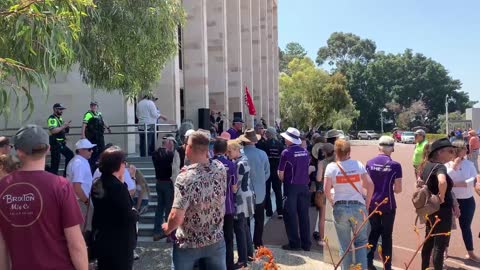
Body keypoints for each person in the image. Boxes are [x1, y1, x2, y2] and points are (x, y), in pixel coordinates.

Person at [0, 125, 87, 269]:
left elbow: (2, 244)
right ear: (48, 149)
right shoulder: (60, 185)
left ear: (19, 152)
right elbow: (76, 243)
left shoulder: (3, 187)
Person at [161, 131, 227, 269]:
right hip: (215, 239)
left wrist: (167, 228)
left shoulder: (185, 178)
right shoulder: (220, 168)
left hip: (188, 242)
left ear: (189, 148)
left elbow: (176, 216)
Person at [324, 139, 374, 270]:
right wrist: (367, 203)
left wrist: (332, 201)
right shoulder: (358, 165)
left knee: (344, 246)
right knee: (361, 243)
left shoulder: (331, 167)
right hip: (358, 206)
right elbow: (370, 185)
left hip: (340, 207)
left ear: (336, 152)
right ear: (349, 151)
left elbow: (326, 189)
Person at [91, 146, 137, 270]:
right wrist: (135, 213)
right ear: (117, 164)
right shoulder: (117, 187)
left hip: (103, 238)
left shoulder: (97, 183)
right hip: (120, 242)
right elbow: (127, 215)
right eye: (124, 162)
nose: (125, 166)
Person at [418, 138, 459, 270]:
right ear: (440, 152)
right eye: (450, 151)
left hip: (430, 208)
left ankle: (424, 267)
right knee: (439, 246)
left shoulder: (427, 165)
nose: (453, 154)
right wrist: (441, 196)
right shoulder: (440, 167)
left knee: (428, 241)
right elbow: (442, 182)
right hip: (442, 210)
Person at [365, 136, 402, 270]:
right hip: (388, 204)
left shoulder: (369, 163)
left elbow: (366, 184)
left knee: (374, 232)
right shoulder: (395, 165)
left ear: (378, 147)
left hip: (372, 203)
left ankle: (368, 262)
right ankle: (387, 266)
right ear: (392, 148)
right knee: (387, 236)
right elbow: (398, 189)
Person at [277, 127, 311, 252]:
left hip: (291, 187)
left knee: (290, 215)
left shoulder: (286, 153)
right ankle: (306, 243)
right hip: (304, 186)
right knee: (304, 216)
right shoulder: (305, 152)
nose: (284, 139)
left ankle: (294, 243)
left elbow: (281, 174)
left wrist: (283, 179)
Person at [445, 139, 479, 262]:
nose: (467, 150)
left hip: (467, 201)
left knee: (466, 227)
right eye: (464, 148)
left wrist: (454, 184)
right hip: (450, 201)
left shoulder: (469, 164)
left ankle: (470, 253)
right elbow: (444, 179)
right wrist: (454, 165)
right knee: (446, 227)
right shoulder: (447, 164)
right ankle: (445, 251)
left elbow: (473, 180)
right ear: (458, 150)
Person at [240, 129, 270, 248]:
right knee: (259, 217)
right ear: (255, 141)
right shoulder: (262, 154)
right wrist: (261, 182)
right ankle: (258, 242)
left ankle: (247, 242)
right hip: (260, 190)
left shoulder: (241, 153)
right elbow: (267, 172)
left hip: (243, 191)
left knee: (245, 219)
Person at [227, 140, 255, 269]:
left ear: (236, 150)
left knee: (240, 229)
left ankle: (242, 260)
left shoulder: (239, 163)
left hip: (241, 198)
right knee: (245, 227)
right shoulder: (244, 159)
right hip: (247, 195)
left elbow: (235, 186)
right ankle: (249, 255)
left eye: (230, 151)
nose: (228, 154)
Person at [212, 139, 238, 270]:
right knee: (228, 238)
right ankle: (228, 265)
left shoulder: (208, 164)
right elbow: (234, 187)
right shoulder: (231, 164)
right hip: (227, 206)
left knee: (212, 238)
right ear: (225, 150)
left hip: (211, 209)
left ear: (214, 150)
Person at [66, 139, 96, 232]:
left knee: (82, 229)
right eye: (89, 149)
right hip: (80, 201)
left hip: (80, 200)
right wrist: (86, 202)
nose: (92, 151)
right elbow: (77, 186)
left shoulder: (79, 161)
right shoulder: (79, 163)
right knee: (81, 230)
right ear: (80, 150)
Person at [152, 136, 178, 241]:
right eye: (171, 142)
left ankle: (157, 230)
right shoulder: (170, 154)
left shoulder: (155, 154)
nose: (172, 145)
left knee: (159, 208)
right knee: (168, 208)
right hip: (168, 183)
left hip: (159, 182)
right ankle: (169, 233)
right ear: (168, 142)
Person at [258, 127, 285, 218]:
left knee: (267, 191)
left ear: (269, 134)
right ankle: (280, 211)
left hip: (267, 171)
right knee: (278, 191)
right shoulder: (280, 144)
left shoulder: (264, 144)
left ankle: (269, 211)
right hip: (276, 170)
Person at [314, 143, 334, 246]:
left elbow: (318, 178)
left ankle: (322, 239)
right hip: (335, 190)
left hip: (324, 190)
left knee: (322, 216)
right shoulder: (338, 162)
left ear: (324, 152)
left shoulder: (322, 163)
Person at [81, 101, 111, 172]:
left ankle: (100, 167)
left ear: (97, 106)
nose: (94, 107)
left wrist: (108, 128)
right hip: (92, 137)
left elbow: (103, 121)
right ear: (90, 107)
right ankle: (92, 169)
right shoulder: (88, 114)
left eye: (95, 106)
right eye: (92, 106)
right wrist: (83, 135)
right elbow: (84, 125)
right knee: (93, 153)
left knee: (102, 151)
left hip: (100, 137)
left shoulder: (99, 114)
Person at [48, 103, 74, 176]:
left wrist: (66, 128)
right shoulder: (52, 118)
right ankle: (53, 179)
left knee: (70, 154)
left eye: (62, 109)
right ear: (55, 109)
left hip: (61, 143)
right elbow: (53, 130)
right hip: (55, 144)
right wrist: (63, 126)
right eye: (60, 109)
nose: (61, 111)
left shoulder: (59, 118)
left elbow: (61, 130)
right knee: (55, 162)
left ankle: (65, 175)